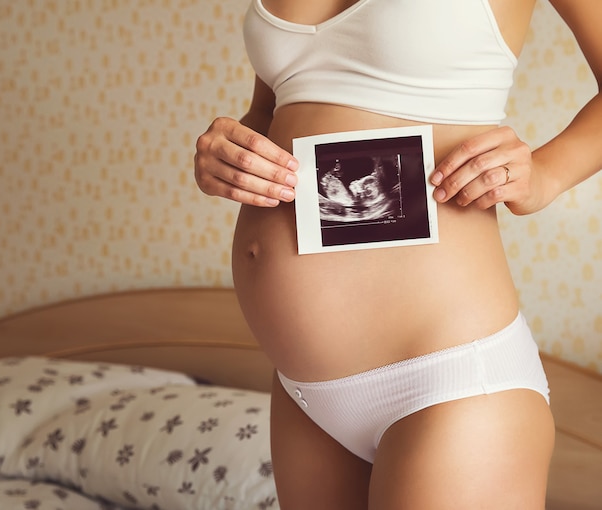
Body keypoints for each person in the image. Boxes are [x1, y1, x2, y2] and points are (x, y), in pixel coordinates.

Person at [194, 0, 602, 508]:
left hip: (446, 383)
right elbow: (275, 109)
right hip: (306, 395)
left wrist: (547, 175)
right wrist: (226, 156)